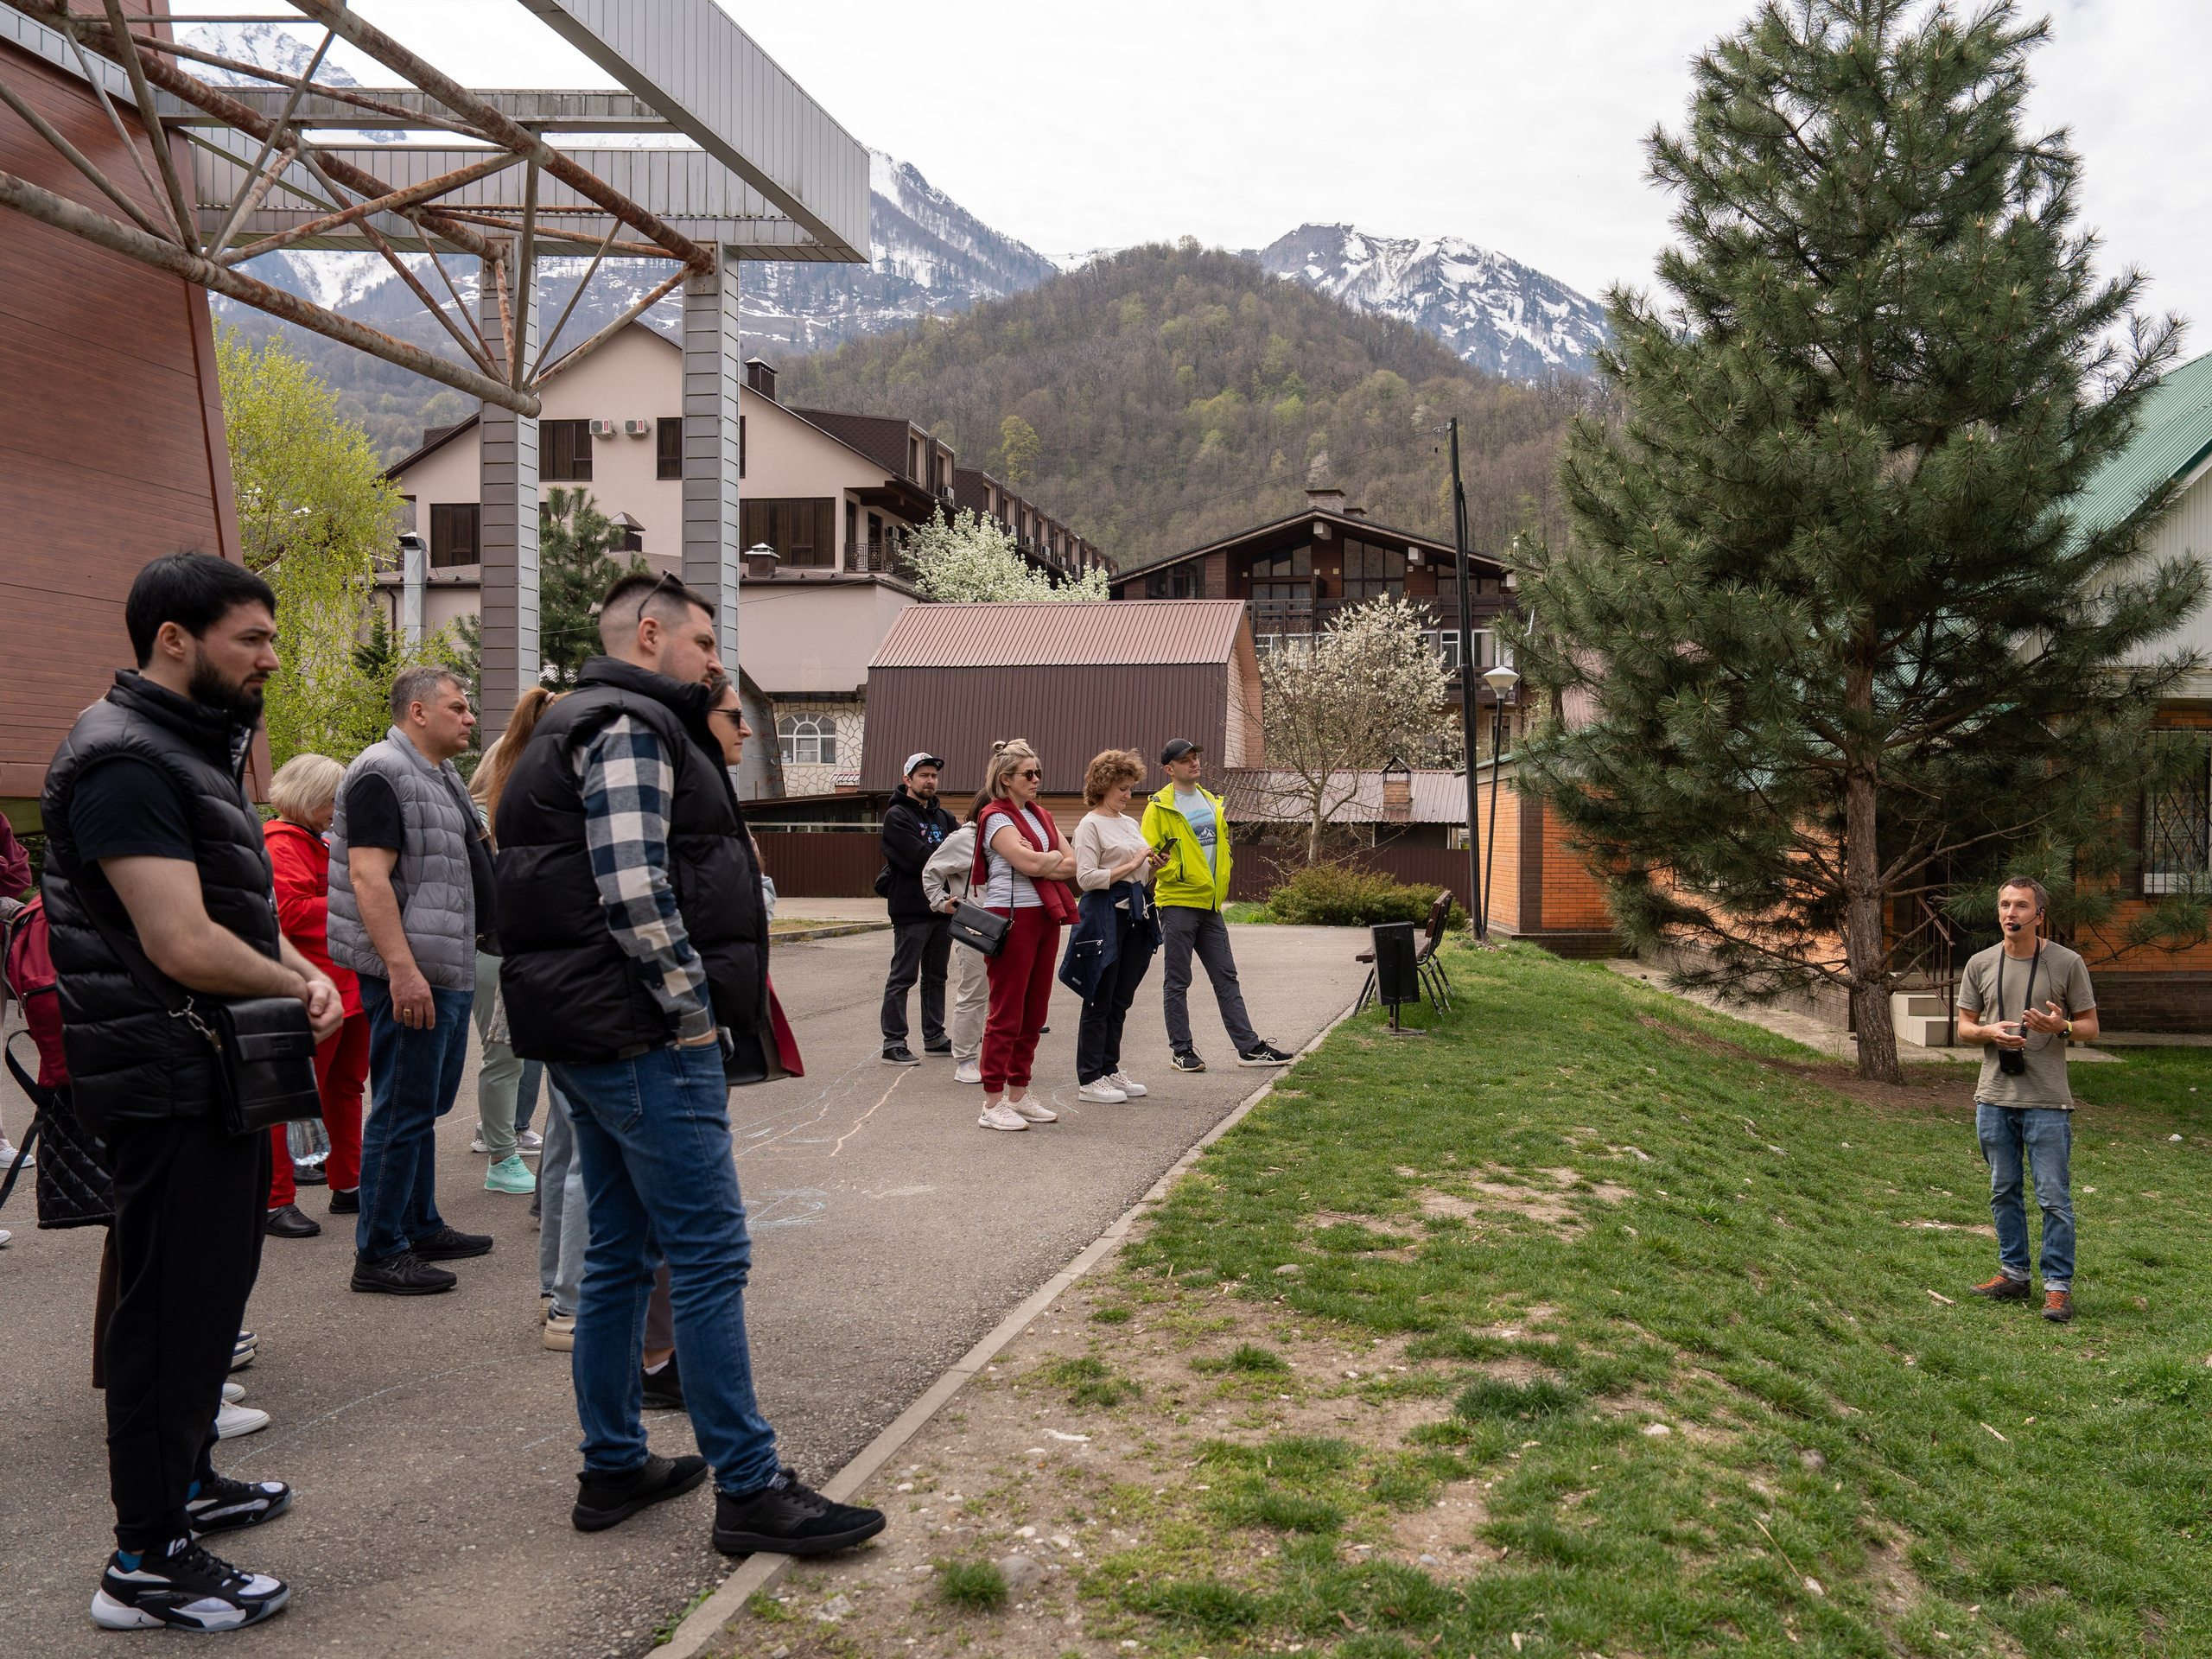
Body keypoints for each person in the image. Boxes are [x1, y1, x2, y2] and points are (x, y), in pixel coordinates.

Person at [495, 571, 881, 1555]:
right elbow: (633, 887)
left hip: (592, 1031)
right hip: (642, 1033)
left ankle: (613, 1461)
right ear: (651, 633)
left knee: (620, 1254)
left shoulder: (580, 721)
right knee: (708, 1254)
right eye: (706, 644)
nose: (717, 663)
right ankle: (749, 1488)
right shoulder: (628, 724)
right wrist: (692, 1011)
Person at [43, 552, 342, 1631]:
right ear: (175, 638)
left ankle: (188, 1488)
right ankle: (146, 1560)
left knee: (207, 1301)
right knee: (168, 1318)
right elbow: (177, 940)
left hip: (208, 1071)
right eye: (250, 639)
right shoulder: (124, 761)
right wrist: (298, 976)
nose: (269, 657)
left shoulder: (180, 749)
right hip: (169, 1077)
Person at [327, 664, 496, 1295]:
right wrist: (402, 971)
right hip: (415, 969)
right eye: (458, 707)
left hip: (443, 961)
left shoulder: (436, 772)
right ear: (418, 713)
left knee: (422, 1104)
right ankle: (379, 1251)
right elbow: (369, 879)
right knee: (400, 1108)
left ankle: (420, 1223)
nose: (470, 717)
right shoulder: (381, 771)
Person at [1955, 875, 2099, 1325]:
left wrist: (2063, 1029)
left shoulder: (2067, 962)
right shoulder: (1980, 963)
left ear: (2039, 914)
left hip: (2048, 1100)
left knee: (2053, 1198)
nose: (2009, 913)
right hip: (1994, 1097)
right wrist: (1989, 1032)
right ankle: (2013, 1274)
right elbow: (1964, 1027)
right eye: (2003, 905)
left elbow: (2091, 1026)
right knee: (2003, 1190)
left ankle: (2058, 1289)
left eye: (2020, 906)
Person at [261, 753, 366, 1236]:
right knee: (299, 1094)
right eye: (331, 800)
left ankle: (348, 1183)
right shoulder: (281, 842)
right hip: (315, 985)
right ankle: (275, 1199)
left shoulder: (308, 839)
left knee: (344, 1087)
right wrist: (363, 897)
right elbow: (291, 912)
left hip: (344, 981)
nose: (335, 810)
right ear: (309, 798)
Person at [1141, 739, 1293, 1072]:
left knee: (1226, 977)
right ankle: (1182, 1051)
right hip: (1178, 902)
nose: (1194, 764)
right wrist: (1161, 863)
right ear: (1169, 769)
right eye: (1185, 760)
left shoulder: (1210, 801)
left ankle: (1249, 1049)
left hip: (1210, 905)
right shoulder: (1159, 807)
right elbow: (1147, 858)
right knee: (1177, 980)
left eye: (1195, 758)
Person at [468, 689, 562, 1198]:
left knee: (525, 1054)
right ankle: (500, 1150)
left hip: (523, 944)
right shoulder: (487, 815)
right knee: (504, 1054)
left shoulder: (519, 801)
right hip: (498, 944)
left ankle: (508, 1135)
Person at [971, 741, 1078, 1132]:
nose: (1036, 780)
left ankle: (1019, 1092)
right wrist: (1046, 860)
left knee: (1035, 1011)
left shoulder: (1040, 815)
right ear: (1006, 780)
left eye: (1038, 773)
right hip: (1011, 917)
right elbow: (1032, 861)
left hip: (1045, 917)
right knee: (1006, 1012)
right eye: (1028, 774)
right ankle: (992, 1101)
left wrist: (1042, 861)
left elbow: (1072, 864)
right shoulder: (995, 817)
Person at [1070, 751, 1166, 1104]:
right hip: (1104, 915)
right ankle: (1089, 1077)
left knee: (1121, 998)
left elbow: (1139, 875)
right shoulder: (1089, 825)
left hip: (1135, 914)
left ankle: (1110, 1068)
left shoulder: (1129, 823)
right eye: (1122, 788)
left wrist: (1152, 866)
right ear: (1104, 785)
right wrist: (1133, 862)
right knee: (1100, 996)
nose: (1128, 795)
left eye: (1130, 788)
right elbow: (1085, 878)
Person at [879, 753, 958, 1065]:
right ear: (907, 779)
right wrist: (946, 857)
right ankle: (893, 1041)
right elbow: (917, 858)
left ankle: (934, 1036)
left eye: (933, 776)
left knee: (936, 976)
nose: (930, 781)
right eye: (923, 775)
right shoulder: (897, 816)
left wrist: (943, 858)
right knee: (903, 976)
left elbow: (962, 850)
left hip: (943, 908)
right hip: (911, 909)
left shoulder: (944, 818)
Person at [922, 792, 989, 1085]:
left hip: (1011, 925)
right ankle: (965, 1059)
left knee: (1004, 995)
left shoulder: (1008, 837)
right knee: (974, 991)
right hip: (976, 924)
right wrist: (941, 902)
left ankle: (995, 1055)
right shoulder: (964, 838)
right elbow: (931, 872)